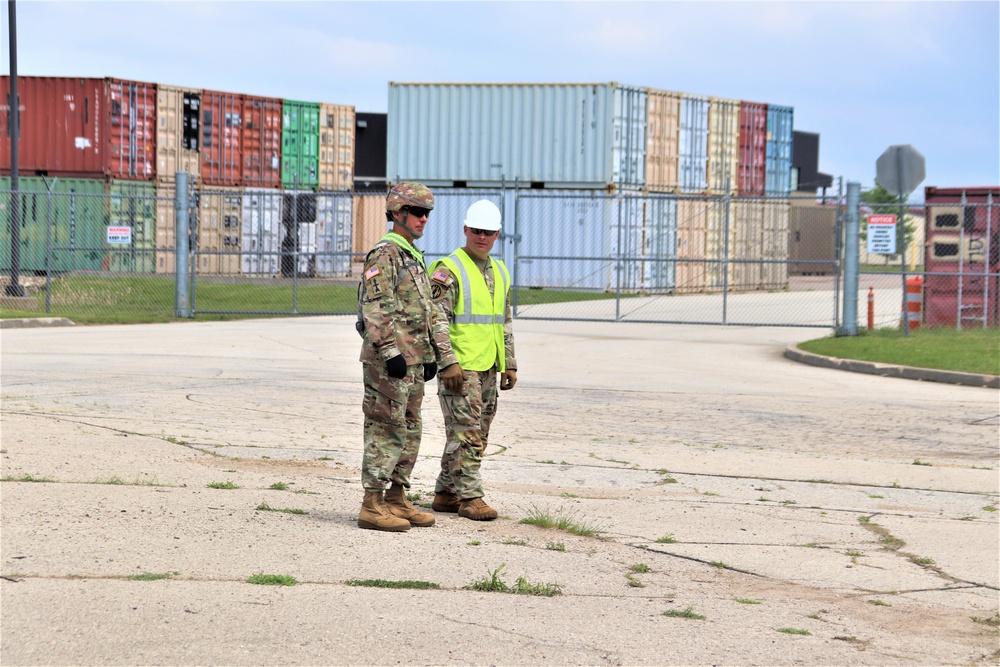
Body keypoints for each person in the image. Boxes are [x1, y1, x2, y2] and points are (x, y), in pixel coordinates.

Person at [357, 181, 464, 532]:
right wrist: (390, 351)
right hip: (389, 364)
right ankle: (372, 502)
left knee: (410, 429)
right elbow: (376, 306)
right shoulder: (385, 253)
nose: (423, 219)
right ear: (397, 213)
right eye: (417, 212)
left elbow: (426, 309)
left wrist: (431, 353)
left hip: (413, 361)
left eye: (427, 213)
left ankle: (396, 496)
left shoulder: (411, 255)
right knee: (385, 428)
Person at [428, 200, 518, 521]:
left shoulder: (501, 271)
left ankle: (446, 491)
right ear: (465, 230)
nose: (482, 237)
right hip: (461, 367)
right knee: (466, 432)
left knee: (477, 430)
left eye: (489, 232)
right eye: (477, 230)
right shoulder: (448, 269)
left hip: (489, 367)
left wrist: (510, 363)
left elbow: (504, 321)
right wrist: (447, 362)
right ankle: (471, 497)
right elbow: (436, 318)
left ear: (497, 235)